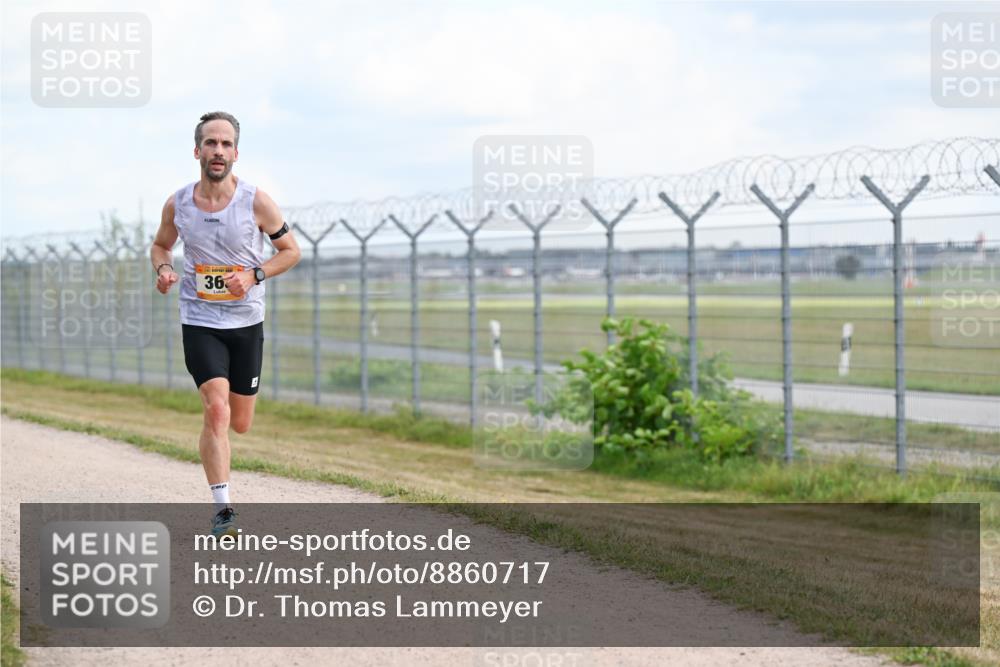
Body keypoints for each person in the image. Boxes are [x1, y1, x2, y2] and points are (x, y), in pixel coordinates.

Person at [150, 111, 301, 536]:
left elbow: (291, 251)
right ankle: (223, 509)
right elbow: (161, 245)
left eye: (226, 144)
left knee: (240, 421)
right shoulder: (178, 203)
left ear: (236, 152)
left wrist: (254, 275)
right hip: (199, 318)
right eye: (211, 143)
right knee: (216, 409)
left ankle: (227, 451)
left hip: (246, 321)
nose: (218, 150)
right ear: (197, 150)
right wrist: (164, 269)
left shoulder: (256, 202)